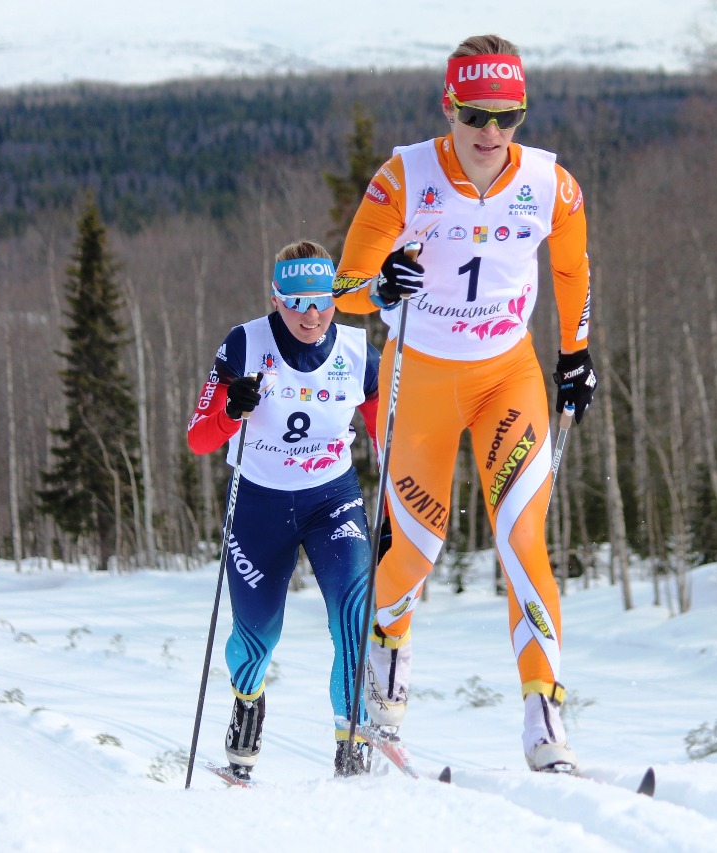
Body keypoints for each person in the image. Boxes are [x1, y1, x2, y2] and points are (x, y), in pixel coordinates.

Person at [333, 34, 596, 774]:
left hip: (505, 376)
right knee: (416, 548)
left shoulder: (550, 183)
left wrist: (575, 355)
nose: (491, 134)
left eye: (507, 117)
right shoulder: (404, 177)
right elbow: (346, 283)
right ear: (448, 106)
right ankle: (383, 658)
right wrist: (381, 285)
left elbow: (573, 265)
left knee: (523, 537)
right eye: (476, 114)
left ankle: (545, 719)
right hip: (417, 377)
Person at [187, 239, 382, 779]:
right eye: (296, 302)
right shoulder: (244, 345)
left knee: (351, 613)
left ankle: (353, 742)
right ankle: (247, 705)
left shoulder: (359, 350)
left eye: (321, 300)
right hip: (258, 503)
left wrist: (398, 508)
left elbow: (387, 436)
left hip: (331, 499)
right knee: (257, 636)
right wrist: (230, 410)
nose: (311, 314)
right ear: (276, 298)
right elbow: (200, 439)